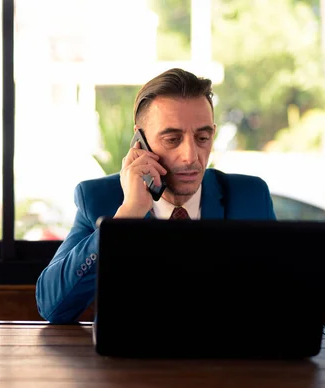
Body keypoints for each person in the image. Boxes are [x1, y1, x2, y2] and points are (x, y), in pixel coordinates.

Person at [35, 68, 276, 323]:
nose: (191, 156)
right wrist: (125, 218)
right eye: (172, 139)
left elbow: (280, 295)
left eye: (202, 137)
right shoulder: (98, 199)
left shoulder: (251, 197)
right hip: (133, 360)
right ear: (140, 141)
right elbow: (53, 307)